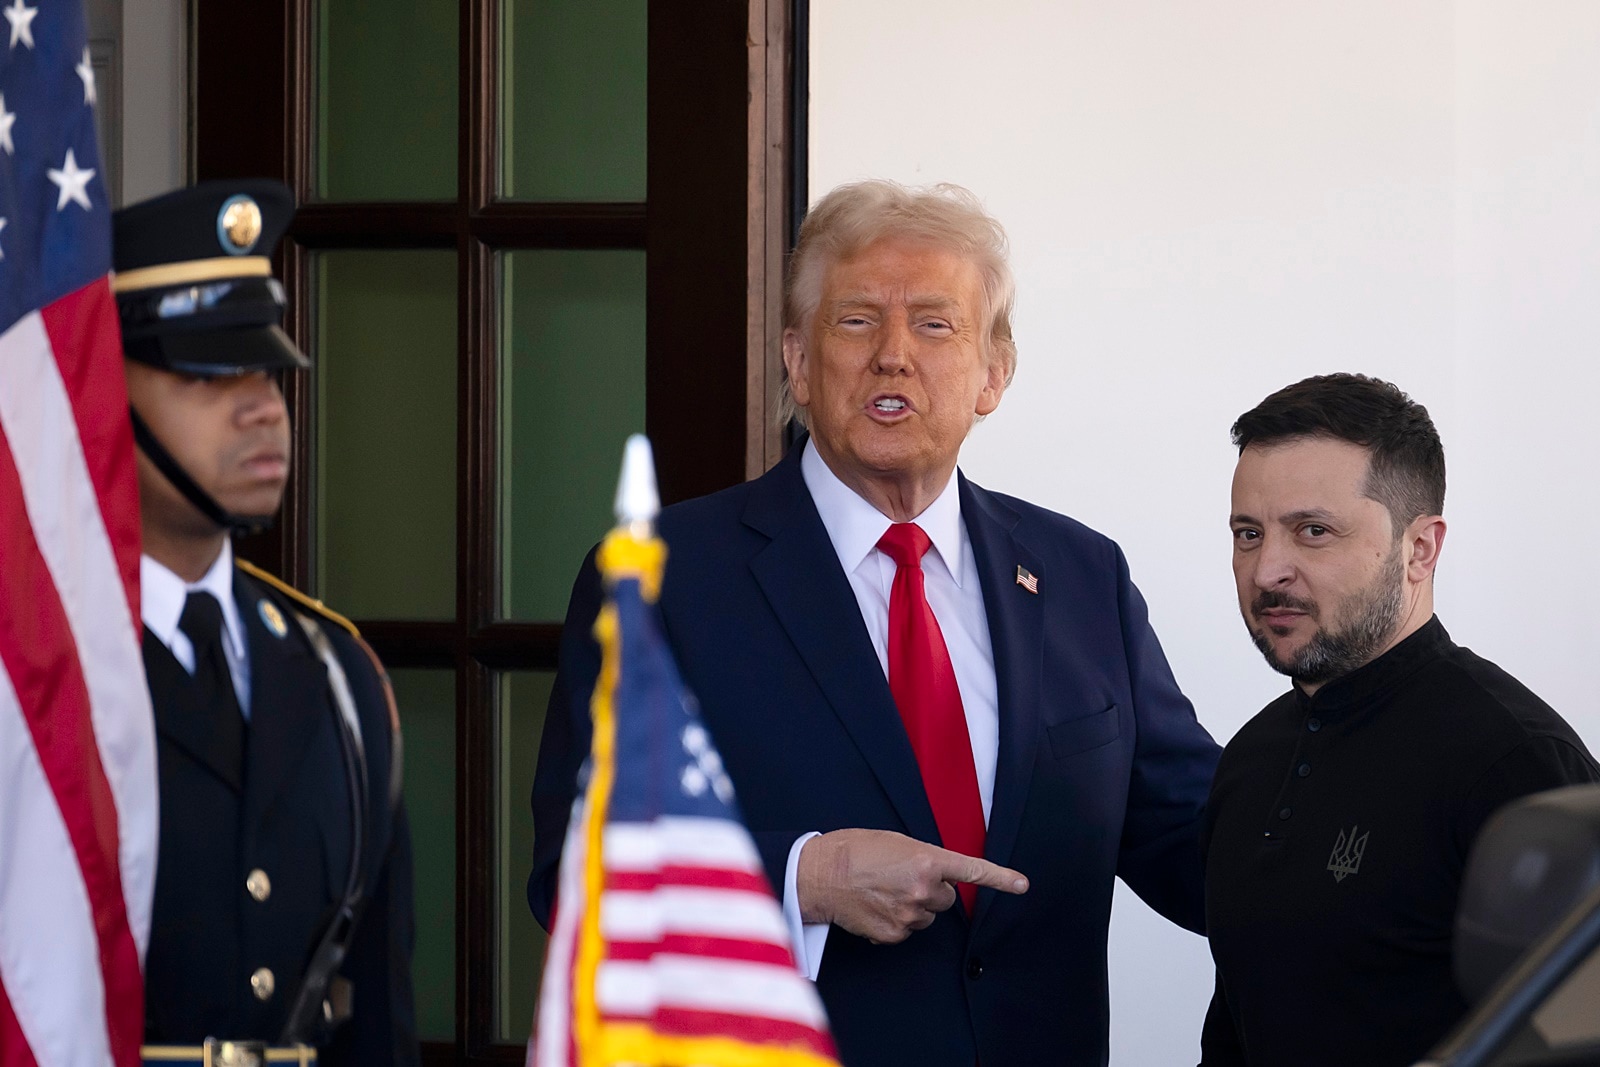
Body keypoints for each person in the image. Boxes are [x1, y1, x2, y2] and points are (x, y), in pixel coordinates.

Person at [529, 180, 1221, 1065]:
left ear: (993, 373)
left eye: (935, 324)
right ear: (799, 360)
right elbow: (576, 874)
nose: (894, 355)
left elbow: (1194, 837)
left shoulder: (1083, 573)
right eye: (857, 321)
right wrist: (803, 878)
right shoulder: (666, 579)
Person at [1201, 373, 1600, 1066]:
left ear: (1421, 549)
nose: (1267, 570)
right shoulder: (1249, 759)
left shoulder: (1515, 761)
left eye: (1313, 531)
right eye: (1248, 532)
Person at [116, 181, 420, 1063]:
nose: (262, 407)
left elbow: (378, 1020)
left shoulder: (337, 671)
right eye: (207, 375)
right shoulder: (41, 667)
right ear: (100, 393)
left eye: (267, 370)